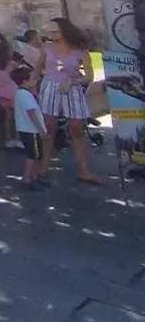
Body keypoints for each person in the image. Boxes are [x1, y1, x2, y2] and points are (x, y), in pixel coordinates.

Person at [38, 17, 103, 185]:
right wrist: (31, 82)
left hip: (72, 88)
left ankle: (84, 171)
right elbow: (38, 68)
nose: (52, 35)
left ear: (65, 30)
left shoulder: (80, 50)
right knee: (48, 129)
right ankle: (43, 167)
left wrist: (73, 81)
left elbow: (90, 76)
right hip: (50, 87)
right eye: (50, 32)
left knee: (77, 129)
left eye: (55, 31)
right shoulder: (47, 48)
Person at [12, 65, 47, 191]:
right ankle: (27, 178)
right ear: (24, 81)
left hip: (26, 129)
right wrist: (41, 129)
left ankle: (35, 176)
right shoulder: (25, 95)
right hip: (31, 130)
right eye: (32, 78)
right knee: (33, 155)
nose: (35, 80)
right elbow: (31, 113)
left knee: (36, 155)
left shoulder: (20, 93)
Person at [0, 32, 21, 150]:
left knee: (8, 115)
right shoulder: (10, 63)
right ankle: (18, 139)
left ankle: (8, 139)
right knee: (18, 115)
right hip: (11, 90)